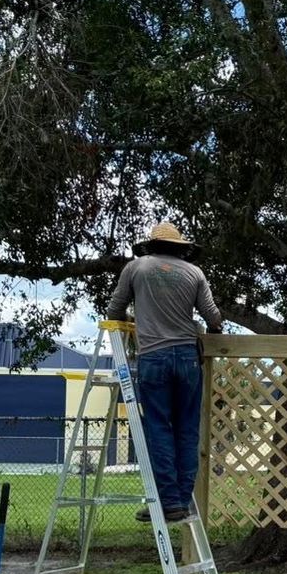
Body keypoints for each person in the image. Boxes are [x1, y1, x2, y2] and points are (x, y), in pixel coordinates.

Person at [102, 222, 223, 522]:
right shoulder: (194, 273)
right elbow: (213, 315)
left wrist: (134, 318)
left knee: (158, 428)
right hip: (187, 357)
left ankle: (167, 501)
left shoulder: (136, 268)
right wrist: (214, 331)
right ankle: (181, 501)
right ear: (180, 247)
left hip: (153, 356)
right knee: (187, 428)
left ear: (152, 245)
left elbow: (113, 311)